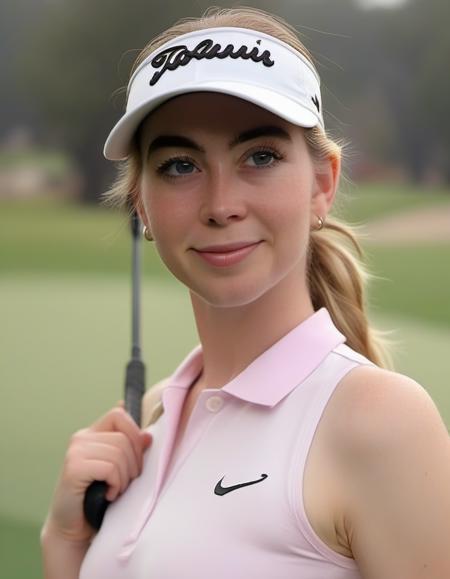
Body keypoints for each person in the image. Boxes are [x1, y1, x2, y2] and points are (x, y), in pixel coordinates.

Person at [40, 7, 450, 579]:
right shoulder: (155, 414)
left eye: (260, 157)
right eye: (180, 166)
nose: (220, 204)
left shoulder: (381, 421)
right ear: (142, 206)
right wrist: (64, 543)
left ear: (322, 185)